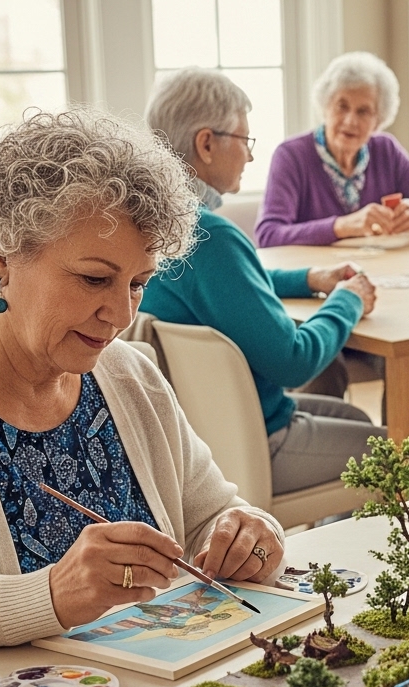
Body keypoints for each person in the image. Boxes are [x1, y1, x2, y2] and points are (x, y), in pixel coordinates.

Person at [0, 108, 286, 658]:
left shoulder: (132, 375)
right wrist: (46, 596)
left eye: (138, 284)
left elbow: (215, 516)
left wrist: (253, 534)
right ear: (1, 260)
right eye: (94, 279)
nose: (120, 314)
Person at [139, 68, 386, 497]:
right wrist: (347, 299)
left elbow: (225, 286)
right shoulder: (210, 236)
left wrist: (308, 279)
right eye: (244, 140)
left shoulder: (154, 222)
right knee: (392, 451)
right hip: (254, 441)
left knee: (357, 422)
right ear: (206, 143)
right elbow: (294, 360)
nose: (251, 157)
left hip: (200, 432)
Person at [255, 51, 409, 400]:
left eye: (364, 111)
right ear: (325, 105)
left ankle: (399, 452)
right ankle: (326, 446)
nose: (350, 120)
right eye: (341, 106)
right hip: (317, 305)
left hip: (379, 303)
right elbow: (268, 235)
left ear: (379, 119)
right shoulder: (292, 155)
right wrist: (342, 225)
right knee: (327, 364)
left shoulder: (386, 151)